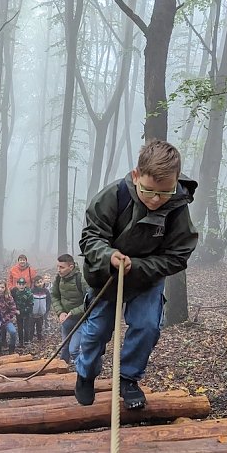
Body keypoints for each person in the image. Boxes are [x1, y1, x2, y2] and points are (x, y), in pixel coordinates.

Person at [75, 139, 198, 409]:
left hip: (146, 279)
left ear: (176, 182)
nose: (156, 199)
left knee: (147, 326)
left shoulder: (178, 207)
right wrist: (109, 256)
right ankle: (86, 373)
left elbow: (179, 254)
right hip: (105, 276)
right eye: (149, 190)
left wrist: (139, 267)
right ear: (135, 176)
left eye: (164, 193)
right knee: (97, 331)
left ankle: (127, 378)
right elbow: (89, 238)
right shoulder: (113, 196)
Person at [52, 254, 87, 364]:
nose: (59, 270)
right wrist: (60, 312)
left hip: (81, 319)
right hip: (66, 319)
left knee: (74, 350)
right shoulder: (58, 279)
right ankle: (62, 369)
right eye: (58, 267)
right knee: (64, 347)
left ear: (71, 267)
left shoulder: (81, 279)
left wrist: (74, 311)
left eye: (62, 267)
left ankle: (82, 372)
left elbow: (90, 302)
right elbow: (54, 296)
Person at [0, 281, 18, 354]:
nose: (0, 289)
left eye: (2, 287)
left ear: (5, 288)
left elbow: (13, 309)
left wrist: (6, 318)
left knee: (13, 332)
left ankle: (11, 349)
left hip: (7, 320)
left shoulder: (8, 297)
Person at [11, 277, 33, 347]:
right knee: (19, 327)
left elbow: (31, 305)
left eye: (22, 284)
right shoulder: (14, 291)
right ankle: (20, 342)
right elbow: (12, 301)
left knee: (26, 328)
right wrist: (14, 311)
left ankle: (26, 341)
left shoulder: (28, 293)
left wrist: (22, 311)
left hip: (26, 313)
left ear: (25, 284)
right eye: (19, 284)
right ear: (16, 284)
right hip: (18, 313)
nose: (21, 286)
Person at [30, 275, 51, 342]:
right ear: (35, 284)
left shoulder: (46, 291)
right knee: (31, 327)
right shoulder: (32, 291)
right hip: (33, 313)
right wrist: (30, 310)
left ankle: (39, 338)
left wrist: (46, 310)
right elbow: (29, 301)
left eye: (40, 282)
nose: (39, 284)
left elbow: (48, 301)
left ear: (43, 282)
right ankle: (30, 338)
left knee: (40, 326)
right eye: (37, 282)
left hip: (41, 313)